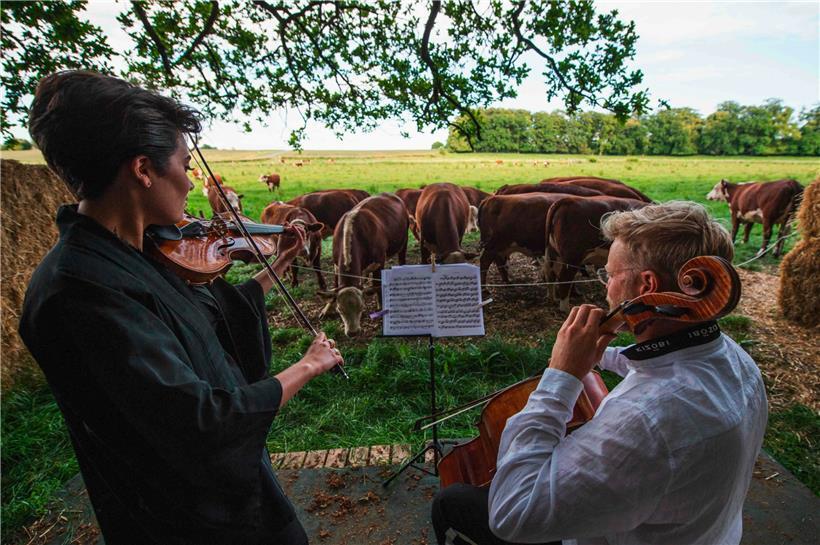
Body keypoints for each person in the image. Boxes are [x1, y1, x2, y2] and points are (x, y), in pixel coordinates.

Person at [19, 70, 344, 545]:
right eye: (186, 165)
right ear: (143, 170)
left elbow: (208, 315)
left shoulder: (130, 256)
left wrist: (277, 267)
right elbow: (201, 422)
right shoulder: (78, 292)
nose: (193, 183)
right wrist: (308, 366)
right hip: (187, 518)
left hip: (225, 493)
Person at [431, 201, 768, 545]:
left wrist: (561, 375)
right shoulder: (735, 359)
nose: (606, 288)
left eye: (610, 275)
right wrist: (598, 356)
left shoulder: (646, 423)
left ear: (646, 286)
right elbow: (659, 365)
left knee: (452, 499)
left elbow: (513, 514)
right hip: (707, 532)